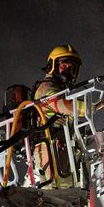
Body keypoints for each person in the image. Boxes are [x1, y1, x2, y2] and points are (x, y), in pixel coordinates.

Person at [31, 44, 84, 186]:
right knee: (60, 193)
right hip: (51, 150)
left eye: (72, 67)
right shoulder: (46, 88)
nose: (68, 69)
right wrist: (95, 105)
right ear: (52, 65)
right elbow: (65, 107)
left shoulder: (62, 91)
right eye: (64, 64)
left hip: (61, 149)